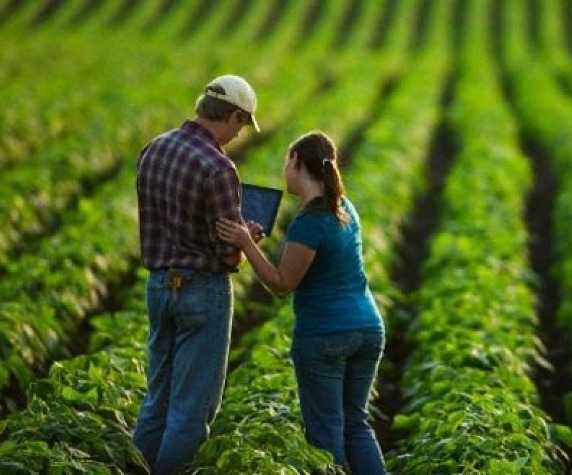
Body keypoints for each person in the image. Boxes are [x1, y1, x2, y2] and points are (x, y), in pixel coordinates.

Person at [215, 131, 387, 474]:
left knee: (325, 433)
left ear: (296, 163)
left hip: (325, 336)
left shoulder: (310, 224)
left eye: (286, 161)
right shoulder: (345, 209)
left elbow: (281, 284)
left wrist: (247, 245)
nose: (284, 169)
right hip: (368, 328)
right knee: (356, 424)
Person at [133, 74, 262, 474]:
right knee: (192, 409)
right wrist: (247, 242)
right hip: (201, 291)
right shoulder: (219, 169)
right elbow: (227, 256)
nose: (241, 134)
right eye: (243, 124)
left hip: (158, 284)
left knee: (158, 398)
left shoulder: (154, 149)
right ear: (235, 115)